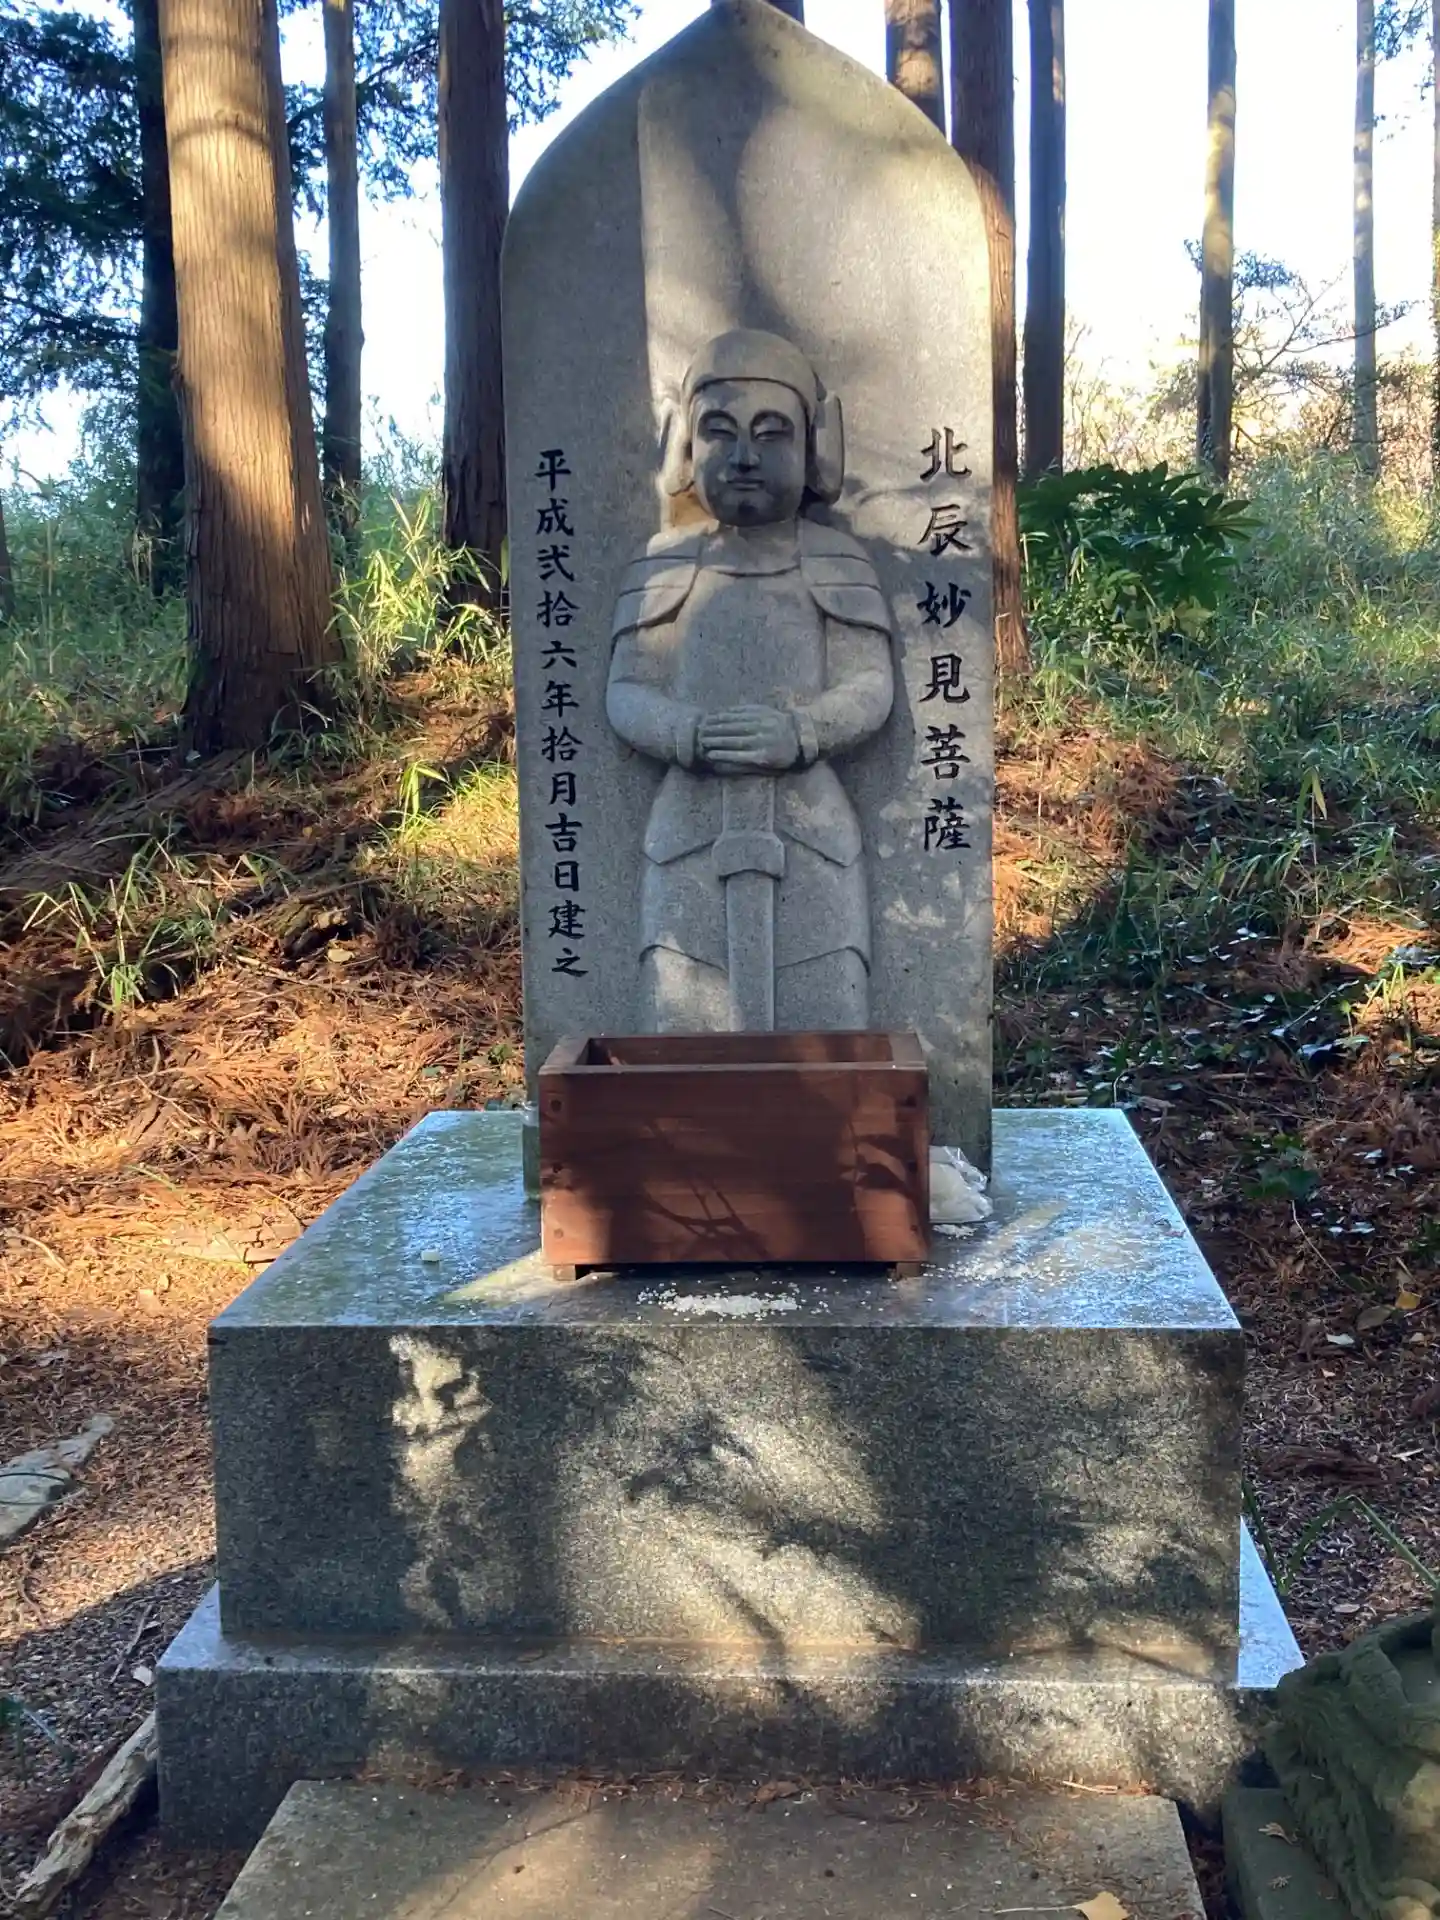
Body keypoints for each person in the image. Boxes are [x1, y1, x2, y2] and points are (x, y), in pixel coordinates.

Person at [607, 329, 894, 1033]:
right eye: (719, 432)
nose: (743, 457)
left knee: (828, 1015)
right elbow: (627, 690)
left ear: (814, 447)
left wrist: (801, 731)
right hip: (687, 829)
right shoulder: (664, 563)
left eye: (770, 435)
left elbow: (869, 684)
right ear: (684, 445)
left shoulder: (836, 560)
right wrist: (689, 734)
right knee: (680, 1024)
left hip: (811, 832)